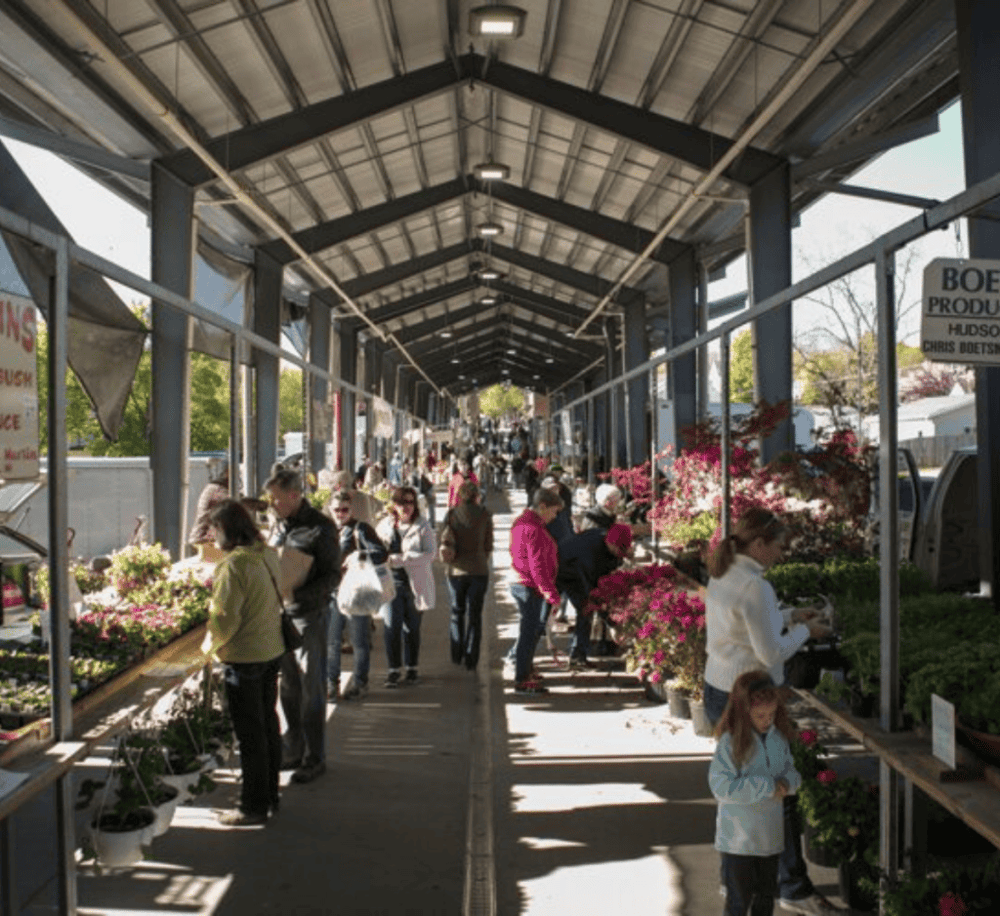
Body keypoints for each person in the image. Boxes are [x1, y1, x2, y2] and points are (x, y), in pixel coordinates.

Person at [703, 507, 837, 916]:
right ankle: (790, 887)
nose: (781, 553)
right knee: (775, 791)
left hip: (719, 688)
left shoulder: (724, 571)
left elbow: (746, 626)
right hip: (749, 696)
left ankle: (736, 882)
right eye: (778, 546)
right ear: (759, 544)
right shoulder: (756, 587)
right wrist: (805, 631)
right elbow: (770, 650)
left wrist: (789, 616)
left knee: (740, 794)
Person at [201, 499, 285, 826]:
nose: (211, 536)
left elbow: (225, 618)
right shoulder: (266, 554)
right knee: (268, 726)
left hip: (245, 657)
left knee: (250, 735)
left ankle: (252, 807)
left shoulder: (233, 565)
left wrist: (206, 649)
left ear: (225, 529)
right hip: (271, 650)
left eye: (214, 529)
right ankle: (271, 796)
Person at [265, 464, 341, 785]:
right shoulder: (279, 526)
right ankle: (293, 748)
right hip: (280, 615)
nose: (272, 505)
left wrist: (298, 591)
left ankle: (315, 757)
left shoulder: (321, 528)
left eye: (277, 499)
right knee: (288, 688)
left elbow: (333, 575)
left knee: (312, 688)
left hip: (309, 616)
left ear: (295, 495)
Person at [709, 670, 802, 916]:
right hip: (738, 842)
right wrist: (766, 786)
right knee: (738, 904)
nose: (767, 720)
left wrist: (788, 783)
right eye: (760, 715)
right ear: (743, 711)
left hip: (769, 840)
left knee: (765, 901)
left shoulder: (778, 739)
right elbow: (721, 787)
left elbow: (791, 771)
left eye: (771, 714)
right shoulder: (730, 743)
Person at [328, 489, 387, 700]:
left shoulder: (360, 529)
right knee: (332, 641)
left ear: (351, 510)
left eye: (345, 510)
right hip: (332, 592)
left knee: (359, 641)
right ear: (330, 510)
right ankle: (331, 684)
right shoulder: (327, 531)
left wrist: (358, 555)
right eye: (337, 510)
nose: (341, 513)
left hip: (356, 592)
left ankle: (360, 682)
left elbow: (381, 553)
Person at [377, 485, 436, 687]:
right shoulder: (384, 525)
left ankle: (412, 668)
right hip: (390, 583)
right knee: (390, 626)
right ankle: (393, 670)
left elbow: (431, 554)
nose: (407, 507)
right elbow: (375, 551)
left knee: (412, 628)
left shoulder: (423, 526)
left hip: (414, 584)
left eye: (410, 502)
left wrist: (404, 559)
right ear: (395, 505)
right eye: (402, 503)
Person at [508, 487, 563, 695]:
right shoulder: (533, 529)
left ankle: (526, 669)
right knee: (529, 632)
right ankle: (522, 677)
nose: (554, 517)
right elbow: (537, 565)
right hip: (528, 585)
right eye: (554, 512)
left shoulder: (524, 523)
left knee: (529, 631)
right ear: (542, 507)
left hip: (524, 583)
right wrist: (550, 592)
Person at [556, 522, 632, 671]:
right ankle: (518, 658)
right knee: (585, 609)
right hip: (561, 572)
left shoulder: (606, 539)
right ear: (610, 543)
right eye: (619, 550)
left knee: (587, 611)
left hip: (577, 570)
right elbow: (592, 590)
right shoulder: (590, 554)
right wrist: (610, 622)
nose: (620, 554)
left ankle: (578, 657)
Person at [440, 481, 493, 671]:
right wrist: (480, 558)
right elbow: (488, 545)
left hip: (456, 571)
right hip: (478, 570)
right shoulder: (485, 515)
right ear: (476, 495)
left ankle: (456, 653)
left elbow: (443, 539)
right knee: (475, 615)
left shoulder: (452, 515)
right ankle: (472, 657)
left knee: (457, 612)